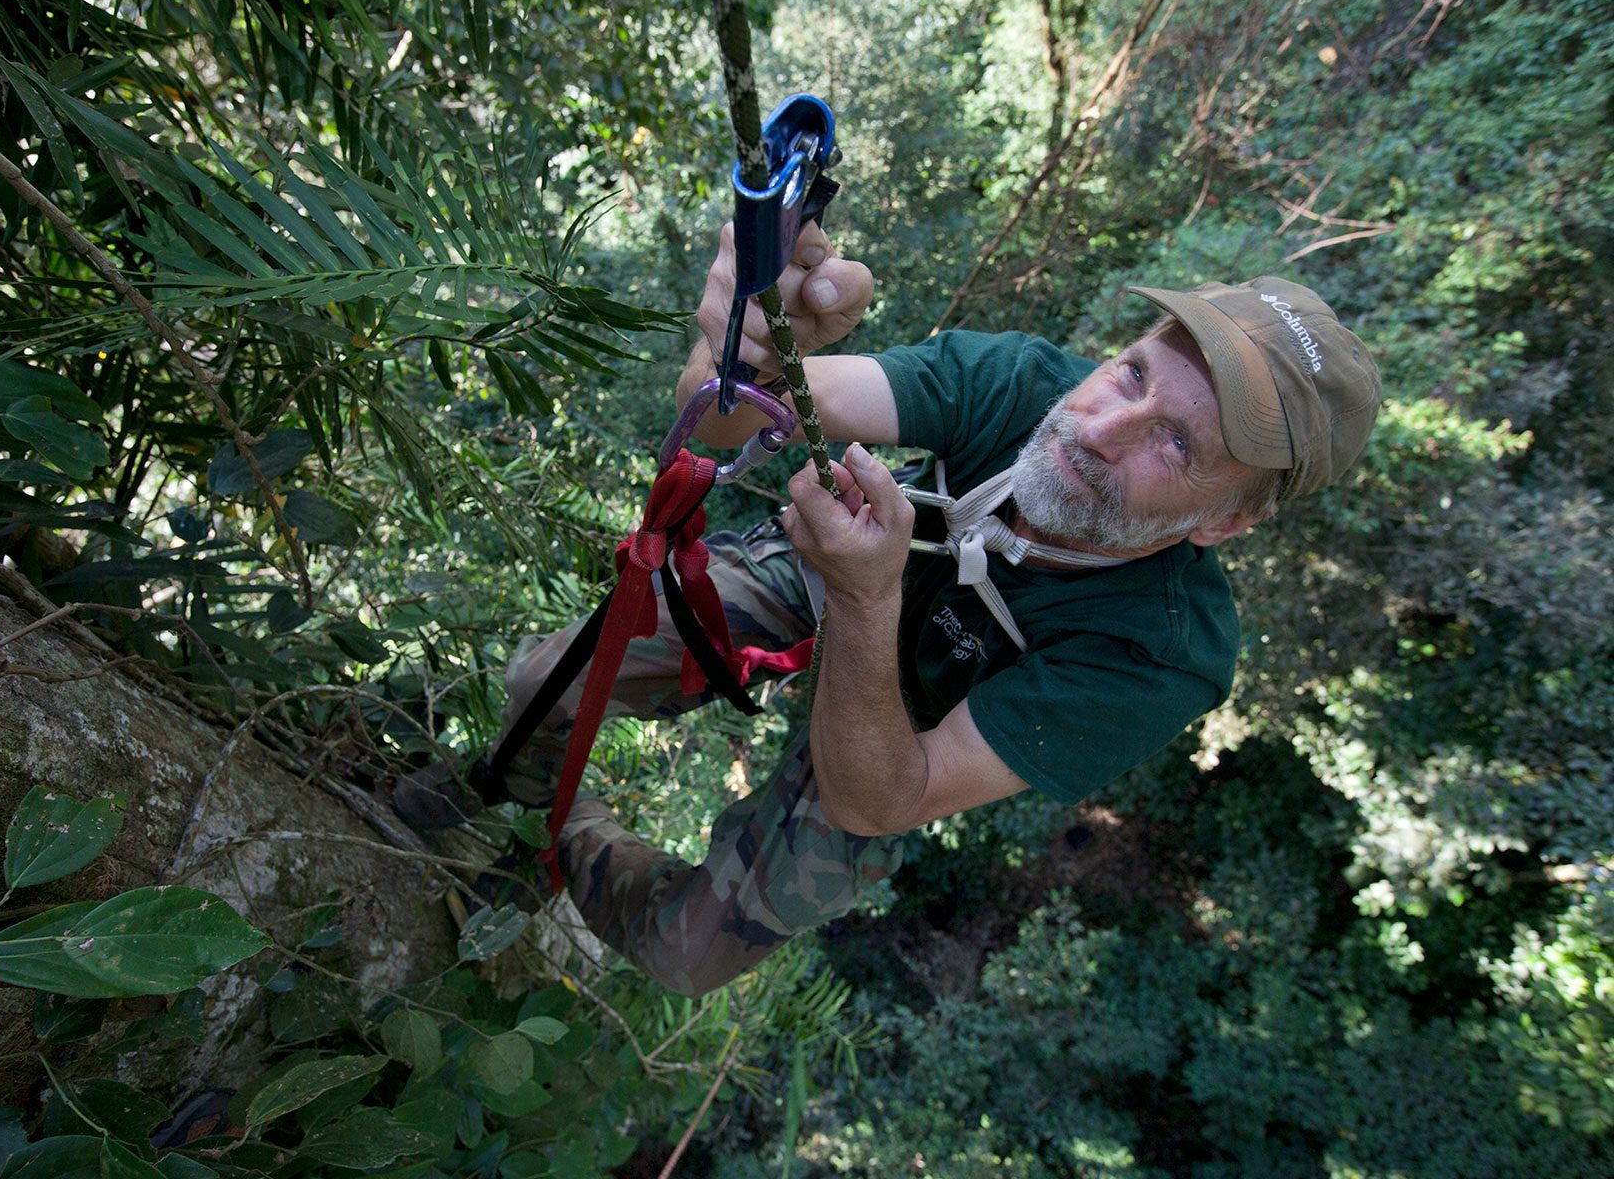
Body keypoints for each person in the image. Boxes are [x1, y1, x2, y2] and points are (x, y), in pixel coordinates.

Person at [395, 222, 1382, 997]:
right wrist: (743, 344)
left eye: (1175, 444)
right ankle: (504, 774)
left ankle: (564, 842)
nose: (1102, 427)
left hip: (894, 731)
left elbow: (881, 800)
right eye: (1131, 373)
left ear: (1225, 522)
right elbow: (725, 416)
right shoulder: (1015, 383)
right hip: (828, 579)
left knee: (688, 954)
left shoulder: (1164, 652)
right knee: (547, 674)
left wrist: (871, 596)